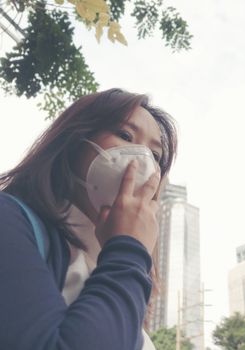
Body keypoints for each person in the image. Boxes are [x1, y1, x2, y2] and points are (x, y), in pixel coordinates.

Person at [0, 88, 177, 350]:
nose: (143, 160)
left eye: (156, 156)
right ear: (76, 140)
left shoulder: (118, 269)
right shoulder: (10, 219)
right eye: (126, 135)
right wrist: (129, 246)